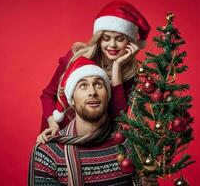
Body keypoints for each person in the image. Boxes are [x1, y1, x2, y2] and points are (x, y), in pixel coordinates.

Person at [38, 0, 151, 141]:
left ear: (130, 42)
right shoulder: (75, 57)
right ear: (99, 39)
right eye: (106, 38)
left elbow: (117, 116)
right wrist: (53, 124)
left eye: (120, 39)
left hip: (96, 138)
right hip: (58, 130)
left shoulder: (129, 73)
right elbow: (47, 95)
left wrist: (117, 67)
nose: (112, 45)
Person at [29, 57, 135, 185]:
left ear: (107, 96)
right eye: (83, 86)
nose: (92, 92)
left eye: (98, 84)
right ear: (71, 100)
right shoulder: (49, 153)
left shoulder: (130, 145)